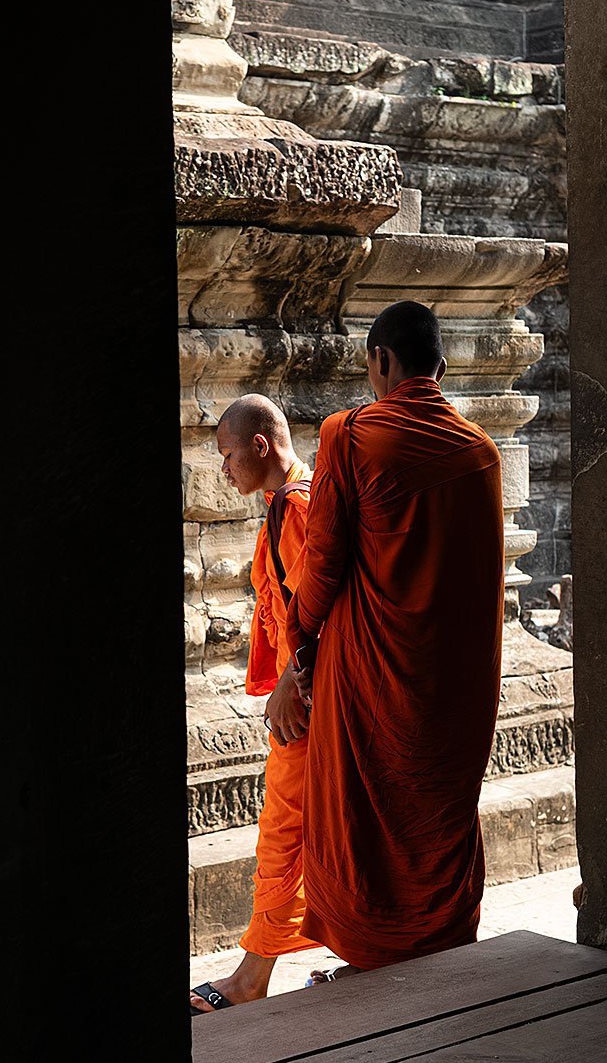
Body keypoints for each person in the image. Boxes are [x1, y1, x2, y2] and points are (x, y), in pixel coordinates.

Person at [283, 300, 505, 973]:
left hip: (371, 679)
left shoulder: (349, 437)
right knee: (435, 810)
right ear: (440, 364)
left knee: (368, 819)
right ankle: (434, 946)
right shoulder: (482, 453)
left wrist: (295, 637)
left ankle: (376, 953)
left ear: (380, 361)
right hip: (452, 683)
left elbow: (321, 565)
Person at [190, 393, 325, 1014]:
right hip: (308, 697)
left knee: (284, 833)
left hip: (306, 704)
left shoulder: (296, 508)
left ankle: (251, 978)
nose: (223, 469)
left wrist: (289, 685)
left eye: (226, 455)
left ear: (260, 446)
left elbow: (320, 611)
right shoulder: (289, 503)